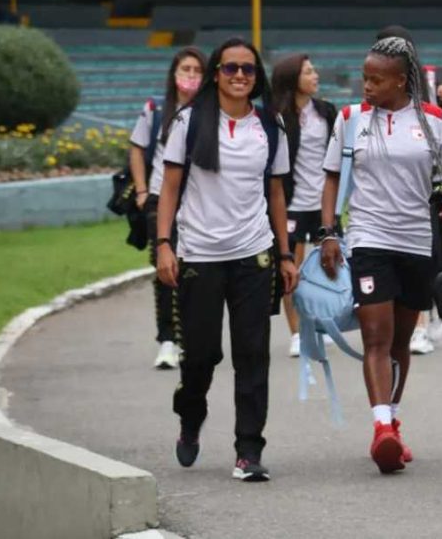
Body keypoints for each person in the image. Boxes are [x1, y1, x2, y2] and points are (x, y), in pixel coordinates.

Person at [319, 36, 442, 474]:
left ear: (402, 81)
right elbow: (330, 179)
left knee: (401, 341)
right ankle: (381, 428)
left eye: (376, 79)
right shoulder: (349, 120)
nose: (366, 86)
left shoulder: (436, 120)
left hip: (419, 243)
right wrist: (330, 232)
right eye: (364, 78)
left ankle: (393, 422)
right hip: (369, 238)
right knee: (376, 336)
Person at [155, 37, 299, 482]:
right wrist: (164, 243)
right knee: (201, 355)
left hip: (252, 255)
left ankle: (248, 450)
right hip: (199, 254)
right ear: (215, 72)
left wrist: (285, 253)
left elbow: (276, 192)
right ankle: (191, 416)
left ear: (257, 78)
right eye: (231, 68)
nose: (240, 75)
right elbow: (171, 187)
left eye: (249, 69)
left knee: (253, 354)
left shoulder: (270, 125)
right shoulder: (190, 121)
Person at [374, 25, 442, 355]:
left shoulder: (439, 77)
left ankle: (429, 316)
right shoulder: (375, 85)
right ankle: (416, 325)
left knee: (435, 254)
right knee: (410, 256)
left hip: (436, 180)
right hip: (397, 183)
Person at [128, 46, 206, 369]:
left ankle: (193, 337)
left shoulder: (210, 111)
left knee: (197, 271)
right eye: (184, 69)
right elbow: (136, 149)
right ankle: (167, 339)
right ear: (174, 74)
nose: (190, 76)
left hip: (200, 201)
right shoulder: (156, 110)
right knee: (164, 270)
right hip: (161, 198)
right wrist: (143, 191)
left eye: (196, 70)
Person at [270, 53, 338, 358]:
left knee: (330, 269)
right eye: (308, 72)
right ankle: (297, 333)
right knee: (291, 269)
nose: (315, 76)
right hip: (293, 203)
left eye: (314, 71)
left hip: (323, 203)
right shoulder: (277, 116)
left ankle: (325, 325)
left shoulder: (326, 112)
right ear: (292, 78)